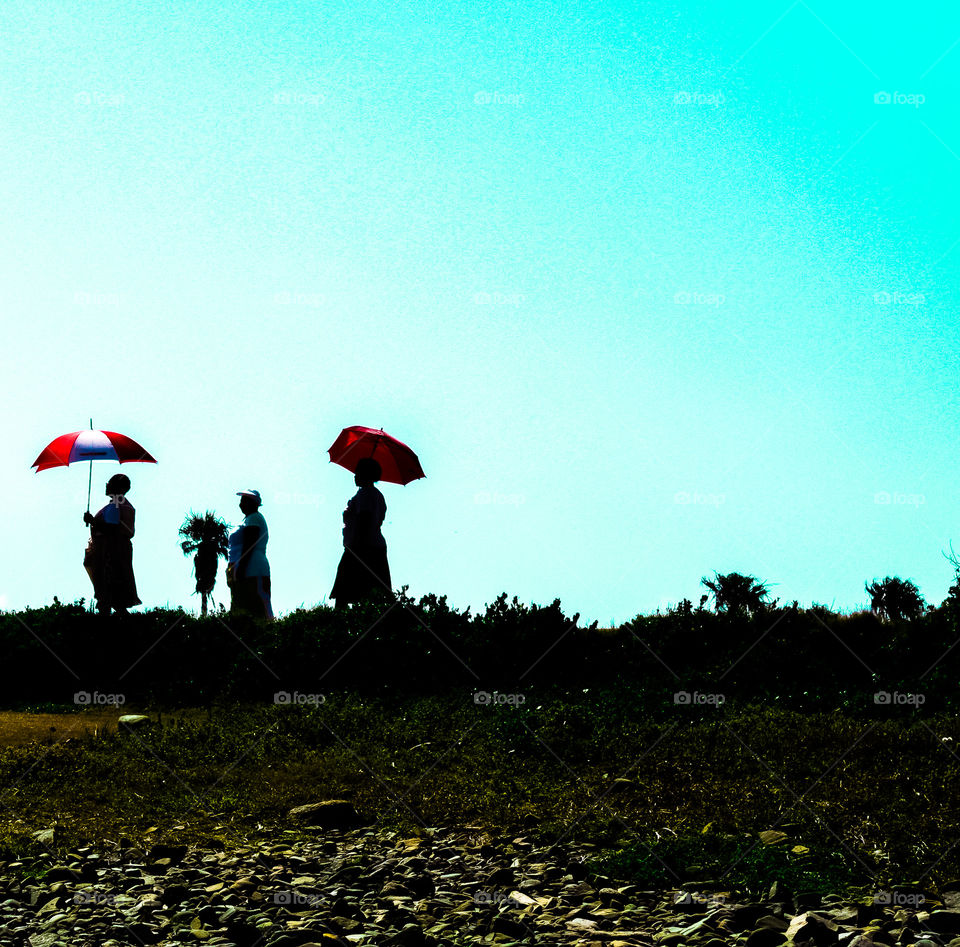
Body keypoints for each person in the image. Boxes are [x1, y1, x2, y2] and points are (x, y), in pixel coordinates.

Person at [330, 457, 392, 607]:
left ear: (365, 474)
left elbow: (365, 520)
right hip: (375, 546)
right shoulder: (377, 495)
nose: (355, 475)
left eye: (358, 472)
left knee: (344, 592)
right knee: (373, 595)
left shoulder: (365, 494)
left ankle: (336, 627)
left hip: (361, 547)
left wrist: (355, 547)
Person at [83, 473, 141, 615]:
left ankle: (107, 626)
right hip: (118, 551)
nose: (106, 484)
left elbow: (111, 528)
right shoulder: (122, 504)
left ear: (117, 487)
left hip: (109, 553)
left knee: (107, 589)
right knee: (115, 592)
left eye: (109, 482)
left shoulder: (116, 504)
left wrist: (92, 521)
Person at [227, 489, 273, 619]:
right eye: (241, 501)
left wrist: (241, 568)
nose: (241, 504)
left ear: (253, 503)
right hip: (245, 568)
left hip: (252, 569)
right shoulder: (248, 519)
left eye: (244, 501)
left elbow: (249, 544)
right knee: (243, 610)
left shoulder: (254, 518)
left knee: (256, 608)